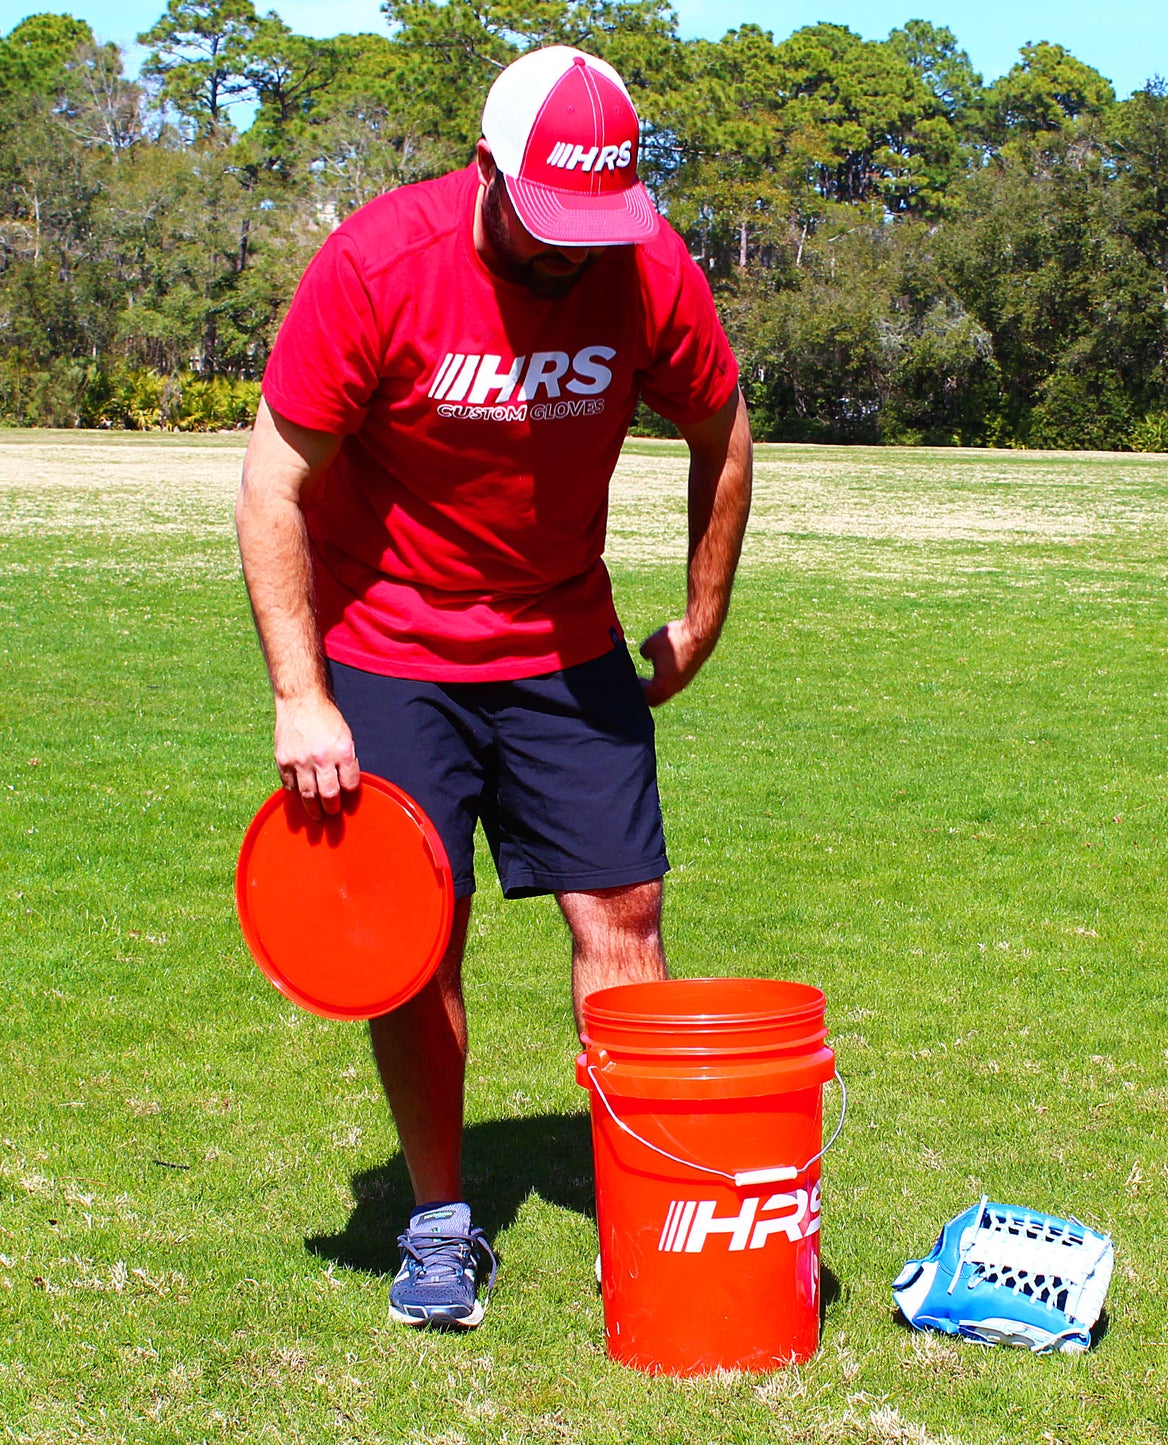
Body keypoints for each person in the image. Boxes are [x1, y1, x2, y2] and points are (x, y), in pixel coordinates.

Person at [235, 44, 752, 1330]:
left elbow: (719, 424)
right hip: (392, 646)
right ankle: (439, 1220)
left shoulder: (645, 267)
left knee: (622, 911)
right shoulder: (376, 265)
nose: (572, 251)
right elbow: (270, 483)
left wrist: (700, 612)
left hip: (567, 646)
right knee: (416, 942)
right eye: (550, 220)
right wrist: (302, 691)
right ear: (487, 170)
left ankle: (649, 1210)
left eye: (598, 223)